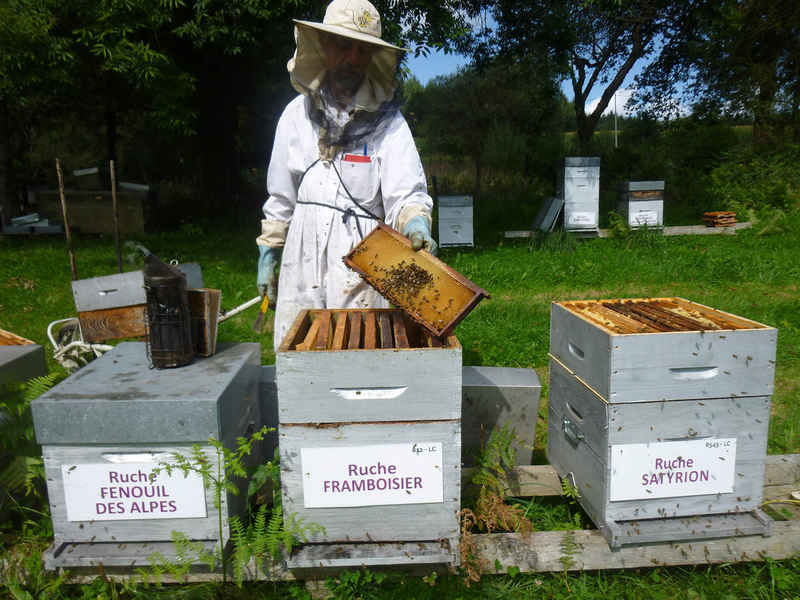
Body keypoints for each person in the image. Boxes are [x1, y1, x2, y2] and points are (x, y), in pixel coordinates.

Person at [257, 0, 436, 350]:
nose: (352, 58)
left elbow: (406, 195)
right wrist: (269, 251)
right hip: (302, 258)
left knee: (359, 362)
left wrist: (416, 221)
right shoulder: (294, 116)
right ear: (324, 46)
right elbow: (280, 197)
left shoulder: (390, 125)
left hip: (362, 262)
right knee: (301, 358)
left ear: (372, 57)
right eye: (343, 45)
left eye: (363, 49)